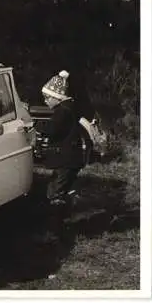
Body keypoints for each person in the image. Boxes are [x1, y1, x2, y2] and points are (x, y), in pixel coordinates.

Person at [35, 70, 85, 230]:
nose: (45, 101)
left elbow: (52, 130)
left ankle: (56, 227)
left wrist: (37, 127)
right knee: (60, 188)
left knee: (55, 192)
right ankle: (67, 214)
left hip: (66, 159)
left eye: (47, 97)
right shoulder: (69, 108)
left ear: (56, 97)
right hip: (72, 158)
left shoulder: (62, 112)